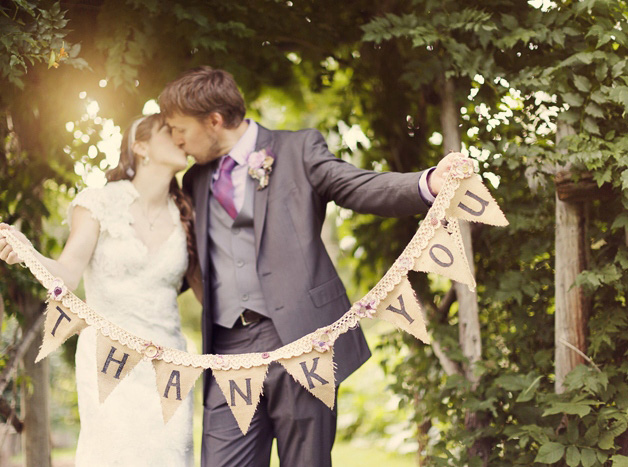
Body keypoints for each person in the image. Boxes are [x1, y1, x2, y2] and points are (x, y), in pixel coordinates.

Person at [158, 66, 460, 467]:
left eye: (179, 128)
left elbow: (356, 185)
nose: (176, 139)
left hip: (303, 340)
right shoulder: (194, 179)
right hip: (228, 351)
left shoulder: (298, 149)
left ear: (213, 120)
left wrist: (427, 184)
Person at [0, 114, 200, 466]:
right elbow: (67, 274)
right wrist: (28, 251)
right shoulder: (99, 202)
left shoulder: (185, 214)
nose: (181, 137)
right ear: (141, 146)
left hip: (170, 367)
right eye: (170, 131)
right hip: (111, 363)